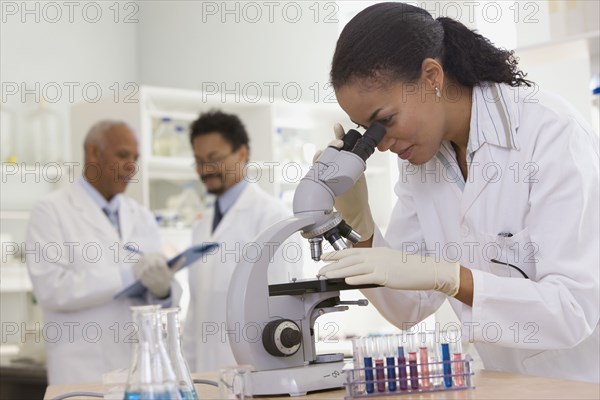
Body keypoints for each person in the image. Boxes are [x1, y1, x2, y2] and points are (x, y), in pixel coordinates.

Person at [318, 3, 599, 383]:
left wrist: (450, 276)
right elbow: (408, 307)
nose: (380, 145)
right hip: (505, 385)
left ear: (431, 75)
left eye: (385, 121)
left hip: (582, 383)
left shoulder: (549, 133)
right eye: (367, 130)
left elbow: (572, 310)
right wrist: (358, 226)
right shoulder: (423, 161)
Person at [26, 120, 181, 384]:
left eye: (136, 158)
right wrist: (126, 276)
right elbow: (51, 288)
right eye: (122, 155)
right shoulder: (51, 211)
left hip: (138, 372)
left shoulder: (141, 216)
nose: (131, 166)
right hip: (81, 373)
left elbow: (163, 302)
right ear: (94, 153)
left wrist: (163, 291)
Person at [182, 110, 304, 372]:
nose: (206, 170)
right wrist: (188, 376)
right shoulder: (202, 227)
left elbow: (281, 309)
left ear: (242, 154)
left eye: (214, 159)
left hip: (256, 376)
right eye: (199, 161)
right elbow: (196, 312)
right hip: (207, 377)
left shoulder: (272, 219)